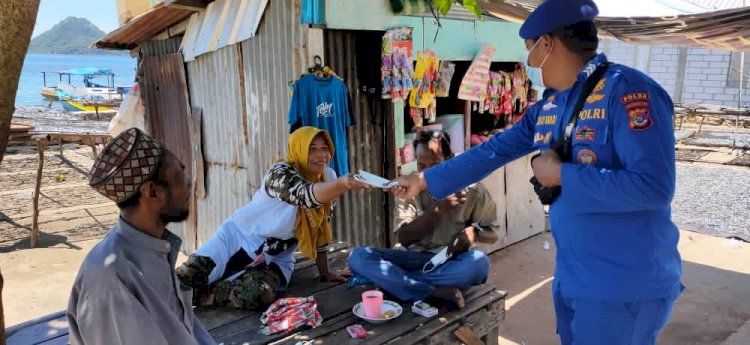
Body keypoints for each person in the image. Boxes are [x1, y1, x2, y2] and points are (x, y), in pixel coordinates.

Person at [391, 1, 682, 344]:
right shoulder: (552, 104)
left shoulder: (629, 92)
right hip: (575, 276)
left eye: (529, 49)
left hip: (622, 283)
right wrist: (424, 179)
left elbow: (654, 187)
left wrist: (563, 175)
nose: (529, 61)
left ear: (547, 44)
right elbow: (494, 150)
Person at [177, 127, 367, 310]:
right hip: (238, 238)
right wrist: (343, 184)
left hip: (276, 257)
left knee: (261, 293)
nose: (321, 155)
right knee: (182, 280)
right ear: (298, 149)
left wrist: (326, 273)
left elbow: (320, 227)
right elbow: (305, 195)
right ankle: (193, 292)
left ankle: (206, 296)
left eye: (325, 148)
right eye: (312, 149)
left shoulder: (328, 178)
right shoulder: (279, 173)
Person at [67, 128, 215, 345]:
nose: (189, 183)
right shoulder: (111, 280)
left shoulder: (152, 248)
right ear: (152, 192)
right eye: (179, 176)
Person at [349, 130, 499, 308]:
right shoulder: (410, 187)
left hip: (449, 261)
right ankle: (433, 292)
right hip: (412, 258)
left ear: (450, 159)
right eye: (421, 167)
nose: (427, 174)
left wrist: (473, 232)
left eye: (435, 166)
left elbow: (493, 233)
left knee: (479, 263)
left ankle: (398, 285)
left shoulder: (473, 189)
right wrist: (438, 209)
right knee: (358, 257)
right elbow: (404, 238)